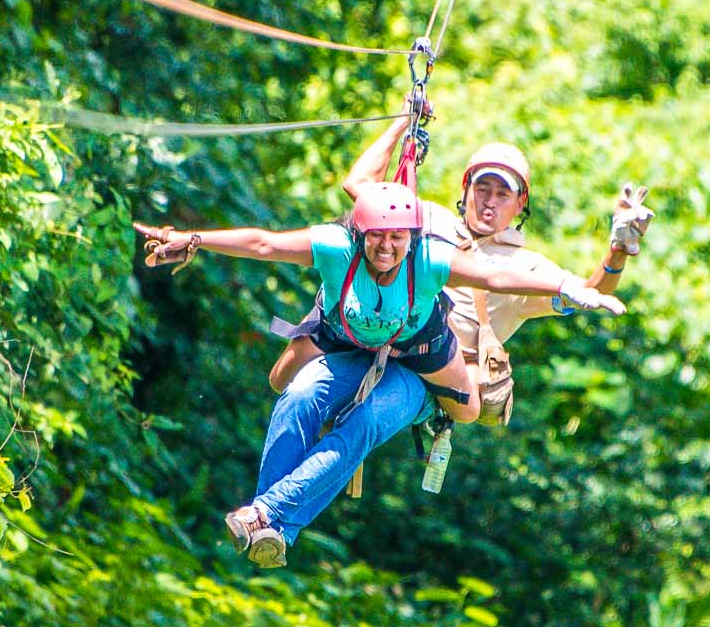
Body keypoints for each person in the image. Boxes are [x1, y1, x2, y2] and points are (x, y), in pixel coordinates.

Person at [133, 181, 625, 566]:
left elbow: (496, 276)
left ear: (411, 238)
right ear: (359, 235)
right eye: (377, 237)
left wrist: (567, 283)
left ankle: (265, 512)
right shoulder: (335, 247)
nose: (387, 247)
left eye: (397, 237)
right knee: (300, 393)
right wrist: (192, 239)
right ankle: (274, 530)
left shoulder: (429, 259)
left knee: (366, 422)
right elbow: (264, 244)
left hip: (419, 366)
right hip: (358, 349)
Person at [267, 111, 655, 469]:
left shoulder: (525, 266)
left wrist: (618, 250)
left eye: (502, 194)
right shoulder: (428, 219)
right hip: (372, 335)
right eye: (482, 188)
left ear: (521, 203)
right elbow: (361, 186)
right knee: (284, 381)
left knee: (362, 425)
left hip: (429, 374)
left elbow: (588, 292)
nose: (489, 202)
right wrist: (402, 122)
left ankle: (281, 506)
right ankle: (273, 501)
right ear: (465, 188)